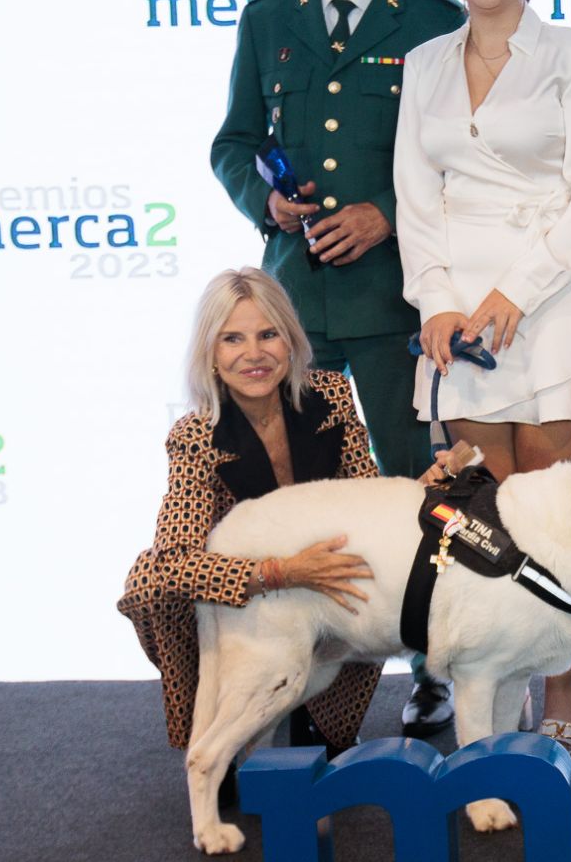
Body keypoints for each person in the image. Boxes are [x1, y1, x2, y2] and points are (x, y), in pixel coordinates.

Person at [209, 0, 464, 737]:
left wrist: (385, 214)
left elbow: (460, 156)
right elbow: (233, 143)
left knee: (413, 492)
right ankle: (309, 674)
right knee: (306, 493)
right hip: (297, 311)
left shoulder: (432, 19)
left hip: (397, 300)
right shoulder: (268, 18)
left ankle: (434, 665)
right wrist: (263, 199)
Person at [393, 0, 571, 755]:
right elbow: (415, 200)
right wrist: (439, 301)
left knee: (553, 512)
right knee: (484, 520)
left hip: (556, 305)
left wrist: (516, 293)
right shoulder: (423, 62)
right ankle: (487, 690)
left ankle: (565, 678)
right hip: (460, 322)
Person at [117, 268, 379, 764]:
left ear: (291, 339)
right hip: (243, 584)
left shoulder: (331, 396)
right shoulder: (195, 434)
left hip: (325, 567)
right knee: (152, 586)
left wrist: (421, 490)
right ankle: (218, 727)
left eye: (268, 334)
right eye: (232, 338)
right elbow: (174, 561)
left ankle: (324, 717)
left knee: (370, 560)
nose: (254, 354)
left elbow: (366, 495)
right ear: (211, 354)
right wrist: (279, 572)